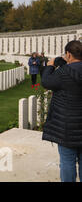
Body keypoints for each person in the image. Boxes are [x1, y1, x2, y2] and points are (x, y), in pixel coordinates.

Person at [42, 40, 82, 182]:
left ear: (68, 54)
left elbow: (46, 82)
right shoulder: (66, 70)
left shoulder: (63, 72)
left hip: (67, 126)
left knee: (67, 161)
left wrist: (50, 66)